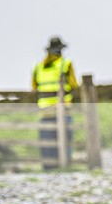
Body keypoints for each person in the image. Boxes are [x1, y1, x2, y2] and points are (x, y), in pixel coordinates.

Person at [32, 36, 79, 170]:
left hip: (45, 110)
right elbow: (74, 84)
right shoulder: (66, 64)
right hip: (64, 109)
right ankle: (65, 166)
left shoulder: (39, 66)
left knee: (47, 140)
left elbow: (34, 86)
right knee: (65, 139)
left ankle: (48, 167)